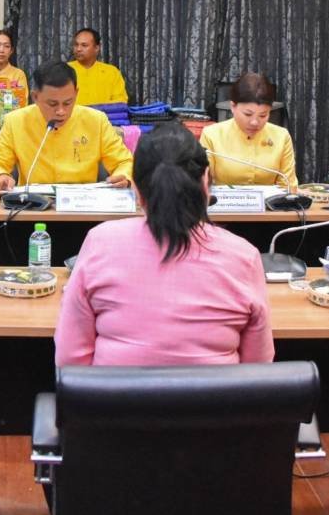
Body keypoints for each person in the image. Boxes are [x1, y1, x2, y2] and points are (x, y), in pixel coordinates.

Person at [56, 124, 272, 365]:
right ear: (205, 181)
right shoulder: (244, 255)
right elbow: (257, 367)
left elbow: (69, 359)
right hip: (217, 391)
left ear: (136, 189)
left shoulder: (100, 242)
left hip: (114, 390)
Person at [0, 61, 133, 193]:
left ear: (76, 93)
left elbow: (124, 162)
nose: (61, 111)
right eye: (52, 104)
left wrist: (124, 177)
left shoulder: (96, 121)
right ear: (35, 97)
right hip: (33, 207)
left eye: (68, 103)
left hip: (83, 206)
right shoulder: (16, 121)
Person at [199, 71, 297, 186]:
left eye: (263, 115)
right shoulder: (211, 135)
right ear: (233, 107)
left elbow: (287, 186)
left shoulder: (281, 136)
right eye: (247, 114)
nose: (255, 122)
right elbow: (202, 185)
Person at [67, 28, 129, 106]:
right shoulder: (65, 70)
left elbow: (120, 102)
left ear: (96, 48)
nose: (78, 49)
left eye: (84, 45)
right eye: (76, 45)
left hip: (103, 114)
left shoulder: (111, 72)